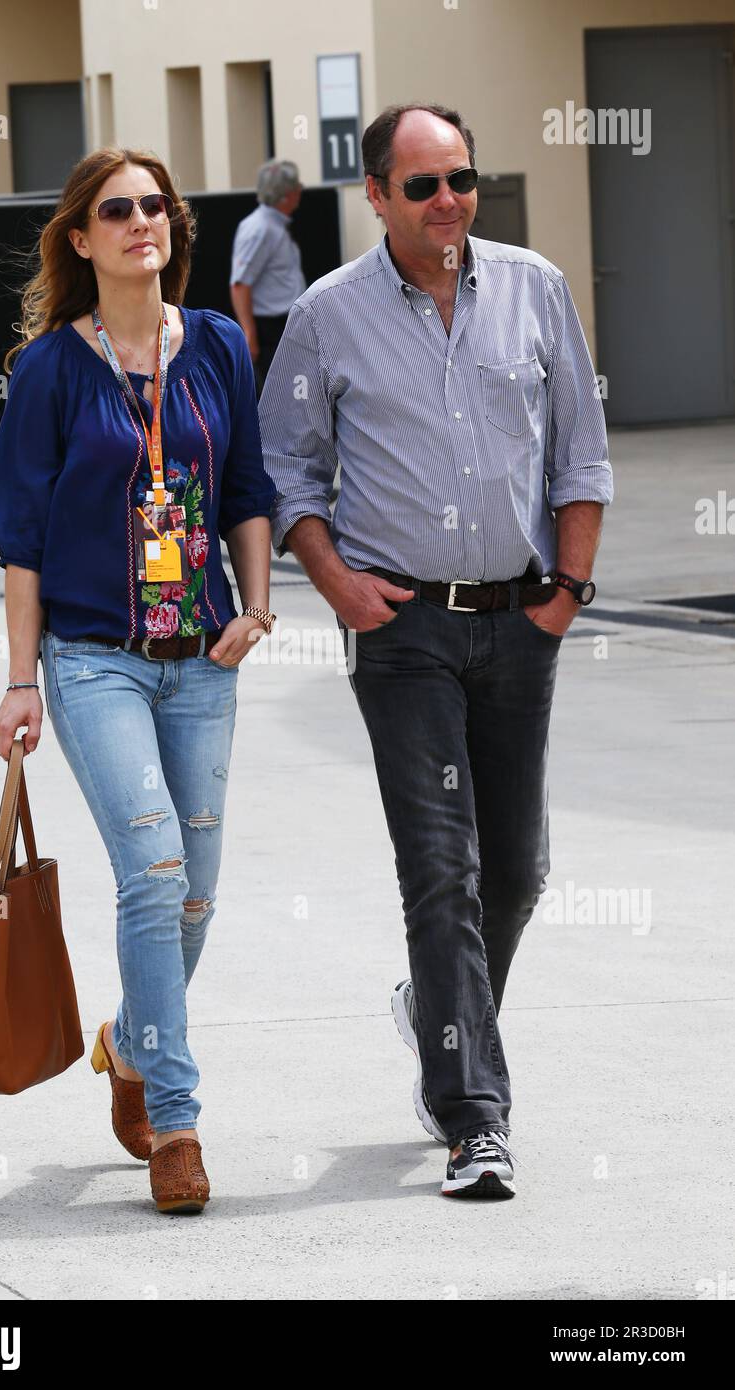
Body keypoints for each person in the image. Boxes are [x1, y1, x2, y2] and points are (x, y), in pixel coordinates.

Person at [259, 103, 613, 1200]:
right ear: (374, 196)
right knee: (441, 871)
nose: (448, 201)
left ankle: (436, 1011)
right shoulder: (326, 317)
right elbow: (285, 468)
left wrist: (565, 595)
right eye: (421, 185)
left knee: (515, 870)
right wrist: (332, 581)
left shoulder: (535, 286)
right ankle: (474, 1120)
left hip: (521, 620)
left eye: (461, 177)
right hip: (401, 629)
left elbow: (579, 459)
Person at [0, 145, 277, 1215]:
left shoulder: (216, 346)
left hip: (201, 659)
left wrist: (251, 604)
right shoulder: (52, 370)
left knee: (194, 894)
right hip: (94, 660)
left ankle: (124, 1039)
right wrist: (21, 679)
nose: (141, 221)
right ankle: (177, 1119)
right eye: (117, 209)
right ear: (81, 236)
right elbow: (19, 537)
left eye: (157, 205)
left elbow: (245, 482)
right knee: (153, 874)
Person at [230, 159, 306, 395]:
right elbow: (240, 284)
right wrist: (249, 335)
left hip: (282, 325)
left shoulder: (272, 225)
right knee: (281, 394)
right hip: (271, 330)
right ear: (285, 195)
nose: (300, 190)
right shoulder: (260, 229)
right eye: (296, 186)